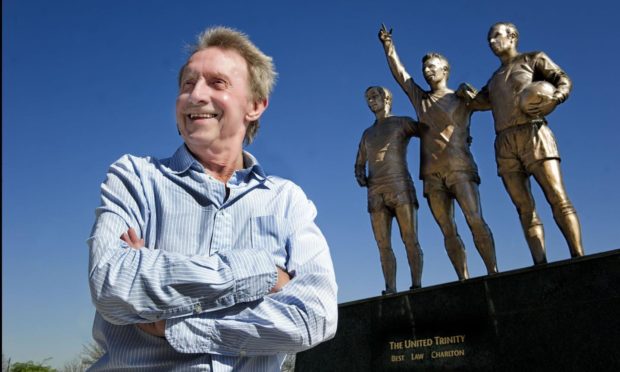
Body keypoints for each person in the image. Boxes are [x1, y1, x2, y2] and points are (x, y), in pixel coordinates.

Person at [87, 26, 338, 371]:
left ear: (255, 105)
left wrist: (172, 324)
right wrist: (262, 271)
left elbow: (316, 317)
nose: (195, 95)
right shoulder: (135, 177)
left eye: (216, 83)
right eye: (187, 84)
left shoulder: (287, 201)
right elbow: (112, 286)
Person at [378, 25, 498, 280]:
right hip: (431, 174)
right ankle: (463, 278)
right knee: (447, 230)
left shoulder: (462, 98)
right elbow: (401, 75)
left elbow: (491, 103)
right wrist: (389, 47)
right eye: (425, 68)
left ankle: (493, 272)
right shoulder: (420, 99)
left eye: (433, 66)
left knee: (475, 219)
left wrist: (474, 94)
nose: (427, 70)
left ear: (445, 70)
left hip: (460, 168)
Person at [462, 22, 584, 264]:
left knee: (557, 196)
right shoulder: (495, 77)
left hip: (534, 133)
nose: (492, 42)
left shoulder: (533, 58)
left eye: (496, 36)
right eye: (489, 39)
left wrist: (557, 98)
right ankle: (540, 263)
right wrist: (467, 96)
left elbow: (563, 79)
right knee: (524, 208)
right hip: (505, 142)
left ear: (512, 36)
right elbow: (483, 102)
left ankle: (579, 257)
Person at [355, 86, 424, 294]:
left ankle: (417, 284)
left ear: (386, 98)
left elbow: (430, 132)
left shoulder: (401, 122)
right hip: (375, 191)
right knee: (383, 244)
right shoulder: (367, 133)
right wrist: (359, 173)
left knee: (410, 238)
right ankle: (390, 288)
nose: (370, 101)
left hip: (400, 185)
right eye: (368, 98)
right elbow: (360, 161)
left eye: (374, 96)